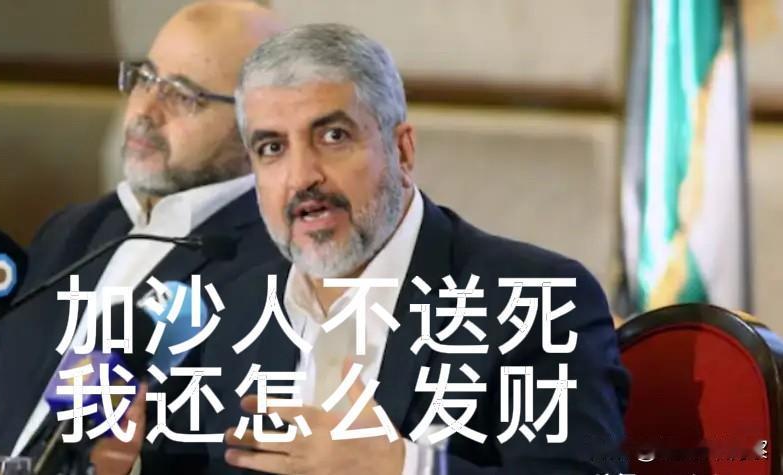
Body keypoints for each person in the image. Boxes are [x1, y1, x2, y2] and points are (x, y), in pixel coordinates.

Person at [194, 23, 631, 474]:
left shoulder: (537, 302)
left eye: (333, 137)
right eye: (272, 148)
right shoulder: (236, 308)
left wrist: (404, 468)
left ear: (402, 151)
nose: (302, 176)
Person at [0, 2, 284, 474]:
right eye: (145, 78)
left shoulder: (272, 273)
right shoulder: (74, 231)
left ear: (255, 127)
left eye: (183, 95)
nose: (146, 110)